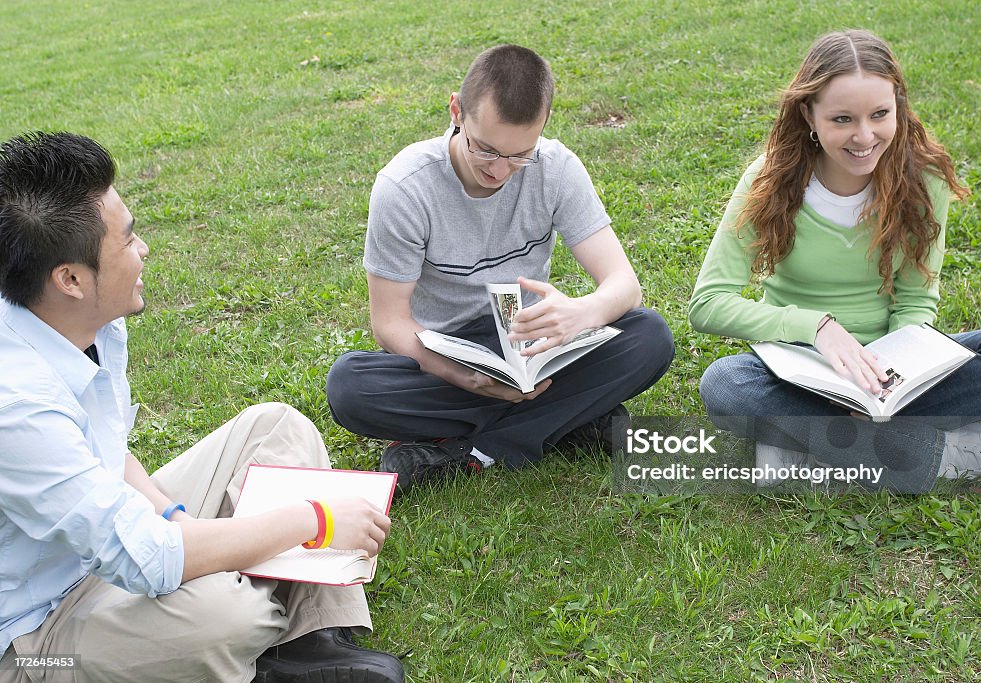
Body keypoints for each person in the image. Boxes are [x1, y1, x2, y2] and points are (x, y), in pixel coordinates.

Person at [0, 132, 403, 682]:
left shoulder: (85, 318)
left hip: (99, 550)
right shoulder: (17, 406)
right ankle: (248, 637)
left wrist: (173, 514)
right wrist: (315, 519)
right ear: (69, 279)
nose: (142, 250)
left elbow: (107, 451)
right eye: (127, 239)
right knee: (223, 613)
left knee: (275, 427)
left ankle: (307, 642)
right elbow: (151, 559)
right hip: (32, 639)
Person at [326, 45, 674, 493]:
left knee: (649, 336)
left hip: (531, 345)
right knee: (351, 387)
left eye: (519, 155)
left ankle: (468, 452)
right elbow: (390, 323)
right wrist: (462, 375)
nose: (501, 171)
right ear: (456, 110)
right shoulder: (405, 187)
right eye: (486, 150)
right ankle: (571, 419)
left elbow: (624, 285)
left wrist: (581, 313)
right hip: (445, 354)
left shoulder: (556, 168)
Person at [688, 30, 981, 493]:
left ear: (899, 105)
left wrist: (892, 382)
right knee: (725, 384)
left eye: (880, 115)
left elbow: (915, 302)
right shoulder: (769, 178)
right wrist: (818, 328)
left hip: (893, 376)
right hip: (798, 373)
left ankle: (813, 447)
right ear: (809, 114)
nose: (864, 136)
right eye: (843, 119)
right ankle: (955, 457)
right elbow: (708, 304)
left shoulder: (924, 179)